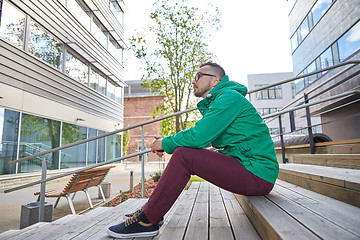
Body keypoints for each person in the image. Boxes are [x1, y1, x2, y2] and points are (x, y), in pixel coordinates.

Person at [107, 62, 279, 238]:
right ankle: (151, 212)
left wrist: (166, 143)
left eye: (199, 76)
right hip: (249, 166)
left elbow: (199, 136)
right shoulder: (224, 99)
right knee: (185, 152)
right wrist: (168, 142)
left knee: (184, 155)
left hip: (257, 173)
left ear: (215, 81)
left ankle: (147, 220)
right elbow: (202, 138)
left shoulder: (229, 99)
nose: (193, 81)